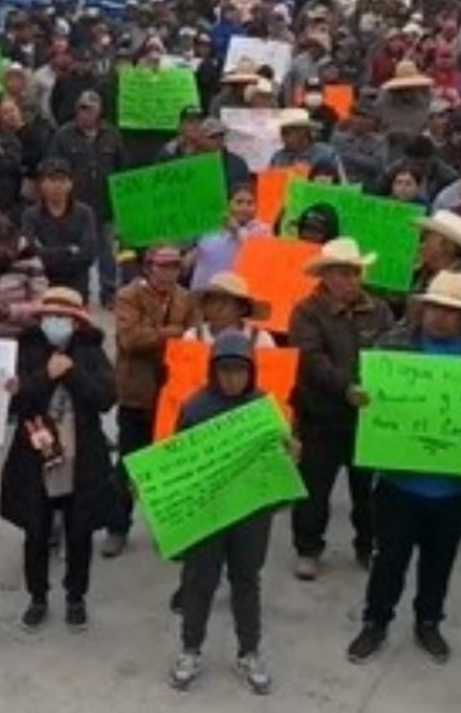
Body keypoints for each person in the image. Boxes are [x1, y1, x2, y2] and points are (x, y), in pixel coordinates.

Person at [346, 270, 461, 665]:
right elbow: (366, 386)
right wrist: (361, 395)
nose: (441, 318)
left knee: (439, 562)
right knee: (388, 560)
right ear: (423, 309)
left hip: (451, 490)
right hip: (398, 485)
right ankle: (375, 622)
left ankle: (428, 621)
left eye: (451, 311)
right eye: (435, 309)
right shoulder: (396, 347)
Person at [167, 332, 289, 694]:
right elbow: (175, 460)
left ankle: (248, 651)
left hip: (250, 514)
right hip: (207, 513)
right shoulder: (194, 408)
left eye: (239, 370)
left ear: (251, 371)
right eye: (225, 370)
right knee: (198, 582)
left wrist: (291, 451)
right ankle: (190, 649)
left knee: (246, 581)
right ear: (212, 371)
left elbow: (279, 458)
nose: (232, 377)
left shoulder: (265, 406)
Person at [0, 287, 116, 632]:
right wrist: (45, 376)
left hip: (82, 461)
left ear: (78, 323)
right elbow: (13, 402)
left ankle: (75, 596)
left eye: (64, 317)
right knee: (35, 533)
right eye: (50, 316)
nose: (56, 323)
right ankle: (37, 597)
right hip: (34, 459)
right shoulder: (27, 351)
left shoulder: (92, 354)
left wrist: (72, 374)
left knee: (80, 534)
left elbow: (106, 398)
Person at [288, 237, 394, 581]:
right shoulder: (305, 312)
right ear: (326, 276)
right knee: (314, 486)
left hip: (367, 418)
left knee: (367, 489)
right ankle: (307, 548)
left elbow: (391, 352)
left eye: (354, 272)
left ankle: (368, 545)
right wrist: (345, 388)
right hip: (320, 415)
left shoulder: (380, 310)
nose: (350, 279)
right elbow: (310, 360)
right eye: (342, 273)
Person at [106, 242, 198, 557]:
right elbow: (130, 339)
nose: (169, 272)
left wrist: (157, 333)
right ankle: (117, 527)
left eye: (174, 266)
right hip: (136, 392)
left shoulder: (187, 299)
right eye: (162, 266)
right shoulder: (128, 295)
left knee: (171, 464)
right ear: (149, 268)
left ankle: (170, 529)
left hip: (173, 394)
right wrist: (171, 332)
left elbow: (194, 337)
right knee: (130, 462)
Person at [46, 92, 124, 305]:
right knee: (75, 251)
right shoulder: (63, 134)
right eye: (81, 108)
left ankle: (109, 292)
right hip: (75, 206)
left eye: (89, 108)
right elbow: (53, 167)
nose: (84, 113)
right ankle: (76, 293)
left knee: (107, 251)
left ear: (99, 110)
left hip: (105, 205)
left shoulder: (112, 134)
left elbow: (120, 167)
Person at [20, 157, 98, 298]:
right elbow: (31, 253)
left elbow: (89, 254)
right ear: (42, 184)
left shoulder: (85, 213)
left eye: (62, 180)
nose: (57, 185)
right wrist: (68, 250)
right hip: (41, 287)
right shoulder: (30, 215)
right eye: (52, 180)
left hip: (76, 287)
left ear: (70, 184)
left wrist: (48, 253)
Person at [188, 184, 270, 290]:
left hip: (236, 295)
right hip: (203, 294)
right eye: (239, 202)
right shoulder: (210, 228)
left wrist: (236, 231)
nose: (244, 208)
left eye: (250, 203)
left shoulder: (263, 230)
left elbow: (257, 254)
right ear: (228, 204)